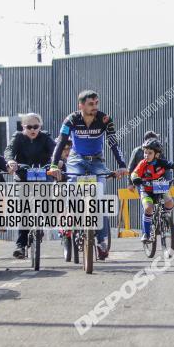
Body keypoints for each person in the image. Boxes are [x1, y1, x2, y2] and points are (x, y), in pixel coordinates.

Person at [50, 90, 128, 260]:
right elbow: (61, 143)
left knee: (98, 200)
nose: (95, 107)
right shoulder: (71, 119)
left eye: (96, 103)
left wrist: (122, 165)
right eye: (91, 104)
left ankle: (100, 243)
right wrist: (54, 165)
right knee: (72, 193)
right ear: (81, 106)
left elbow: (114, 143)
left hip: (97, 161)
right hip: (76, 160)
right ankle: (71, 224)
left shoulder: (105, 119)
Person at [4, 113, 58, 259]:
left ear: (40, 126)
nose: (33, 130)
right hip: (23, 175)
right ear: (23, 127)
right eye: (29, 127)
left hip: (43, 173)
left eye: (36, 126)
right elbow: (9, 151)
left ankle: (46, 216)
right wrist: (10, 161)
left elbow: (55, 151)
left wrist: (57, 162)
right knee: (23, 209)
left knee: (47, 195)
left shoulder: (46, 137)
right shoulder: (18, 137)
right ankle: (20, 245)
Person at [130, 138, 174, 243]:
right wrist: (135, 178)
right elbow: (134, 173)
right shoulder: (142, 163)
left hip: (160, 187)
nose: (146, 155)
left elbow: (173, 165)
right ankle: (146, 234)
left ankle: (165, 218)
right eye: (145, 153)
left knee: (169, 202)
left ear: (156, 155)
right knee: (148, 208)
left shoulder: (161, 162)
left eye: (150, 153)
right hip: (146, 189)